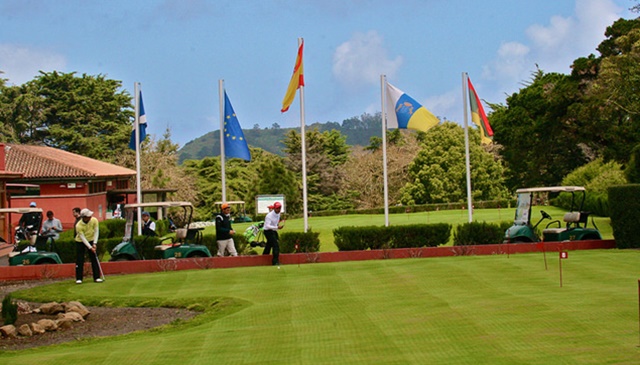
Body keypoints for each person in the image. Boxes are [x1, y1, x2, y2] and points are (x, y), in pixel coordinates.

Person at [75, 208, 102, 284]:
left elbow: (96, 231)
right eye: (88, 216)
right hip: (80, 241)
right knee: (80, 259)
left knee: (94, 258)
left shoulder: (94, 220)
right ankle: (79, 278)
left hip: (91, 239)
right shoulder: (78, 225)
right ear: (84, 217)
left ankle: (97, 277)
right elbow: (82, 238)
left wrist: (94, 243)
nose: (90, 217)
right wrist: (90, 248)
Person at [263, 201, 283, 266]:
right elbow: (267, 226)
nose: (279, 209)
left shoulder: (278, 214)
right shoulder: (269, 216)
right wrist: (277, 227)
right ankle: (275, 261)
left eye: (280, 208)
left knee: (269, 244)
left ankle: (264, 256)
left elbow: (276, 223)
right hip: (267, 231)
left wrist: (277, 226)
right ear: (274, 208)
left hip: (273, 230)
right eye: (277, 208)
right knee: (275, 245)